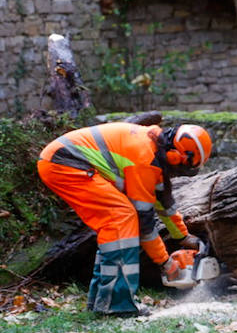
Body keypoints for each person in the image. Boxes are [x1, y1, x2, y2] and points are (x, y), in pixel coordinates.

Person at [37, 122, 212, 317]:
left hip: (63, 160)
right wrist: (165, 262)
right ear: (174, 156)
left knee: (116, 225)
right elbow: (145, 223)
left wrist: (184, 237)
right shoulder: (144, 160)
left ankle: (102, 301)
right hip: (64, 162)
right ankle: (117, 304)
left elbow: (164, 202)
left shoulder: (156, 151)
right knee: (122, 217)